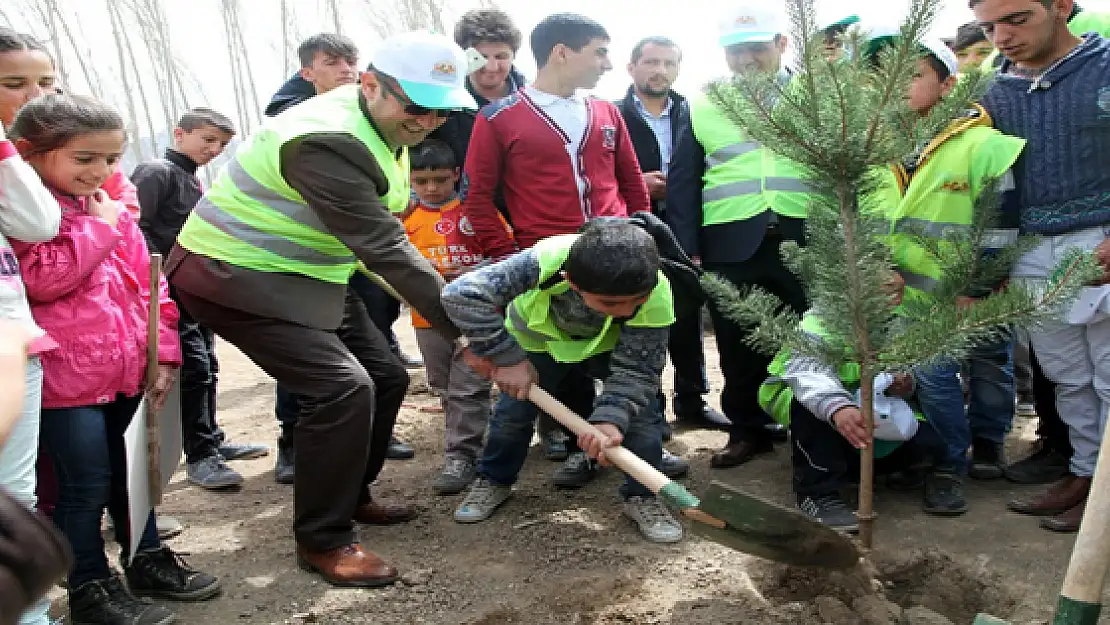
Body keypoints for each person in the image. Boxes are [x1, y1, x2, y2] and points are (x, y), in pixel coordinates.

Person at [169, 31, 476, 586]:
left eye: (441, 111)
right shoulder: (323, 140)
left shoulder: (384, 124)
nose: (429, 123)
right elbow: (386, 248)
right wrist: (469, 333)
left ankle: (351, 494)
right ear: (372, 84)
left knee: (384, 376)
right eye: (417, 108)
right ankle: (323, 540)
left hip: (310, 274)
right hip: (232, 273)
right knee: (339, 387)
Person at [10, 93, 222, 624]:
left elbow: (151, 285)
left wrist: (166, 353)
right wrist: (101, 227)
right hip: (65, 382)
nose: (100, 171)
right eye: (84, 159)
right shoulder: (26, 213)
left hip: (128, 368)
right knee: (82, 484)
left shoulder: (111, 205)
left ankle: (145, 558)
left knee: (136, 475)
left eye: (110, 159)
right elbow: (42, 278)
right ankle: (89, 586)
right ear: (28, 153)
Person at [462, 13, 658, 485]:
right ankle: (530, 464)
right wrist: (511, 255)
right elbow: (478, 196)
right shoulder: (497, 118)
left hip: (618, 265)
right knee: (545, 373)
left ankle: (635, 453)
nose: (608, 64)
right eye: (600, 52)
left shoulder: (608, 113)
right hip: (547, 271)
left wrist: (639, 241)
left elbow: (633, 186)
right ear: (561, 52)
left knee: (633, 364)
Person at [866, 30, 1025, 514]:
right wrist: (878, 267)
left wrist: (976, 289)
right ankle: (947, 463)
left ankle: (990, 440)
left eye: (912, 75)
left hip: (977, 293)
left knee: (991, 367)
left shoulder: (983, 146)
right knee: (934, 380)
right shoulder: (875, 154)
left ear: (948, 84)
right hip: (910, 300)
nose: (896, 87)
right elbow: (866, 222)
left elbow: (1002, 223)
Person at [448, 219, 684, 544]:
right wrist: (506, 358)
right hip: (536, 343)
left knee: (643, 421)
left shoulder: (656, 290)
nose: (625, 311)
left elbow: (638, 371)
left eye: (636, 301)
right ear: (572, 282)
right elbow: (461, 294)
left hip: (610, 348)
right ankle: (494, 480)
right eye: (611, 304)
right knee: (511, 418)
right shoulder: (547, 259)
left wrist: (611, 419)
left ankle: (643, 496)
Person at [976, 0, 1110, 533]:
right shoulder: (993, 88)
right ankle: (1084, 474)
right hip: (1029, 250)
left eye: (1016, 19)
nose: (1001, 36)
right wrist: (997, 260)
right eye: (989, 26)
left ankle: (1105, 496)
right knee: (1066, 377)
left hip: (1099, 246)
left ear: (1059, 6)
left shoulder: (1104, 68)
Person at [668, 5, 817, 469]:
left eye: (757, 48)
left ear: (782, 44)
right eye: (736, 51)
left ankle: (813, 431)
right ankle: (747, 429)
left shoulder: (818, 95)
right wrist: (687, 246)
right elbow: (685, 179)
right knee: (736, 341)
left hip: (806, 237)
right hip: (730, 242)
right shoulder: (703, 101)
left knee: (813, 339)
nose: (747, 59)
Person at [265, 33, 415, 484]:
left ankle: (372, 435)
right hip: (304, 263)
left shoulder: (380, 122)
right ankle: (293, 444)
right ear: (306, 72)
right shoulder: (297, 122)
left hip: (359, 260)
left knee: (379, 350)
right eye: (332, 63)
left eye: (351, 62)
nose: (345, 71)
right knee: (313, 363)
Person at [133, 107, 272, 493]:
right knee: (192, 368)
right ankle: (199, 457)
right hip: (166, 294)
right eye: (207, 140)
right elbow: (135, 230)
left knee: (207, 364)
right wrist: (155, 281)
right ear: (180, 134)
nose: (213, 149)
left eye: (221, 145)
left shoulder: (193, 181)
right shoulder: (155, 173)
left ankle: (212, 438)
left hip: (195, 291)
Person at [615, 37, 728, 441]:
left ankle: (692, 401)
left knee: (686, 314)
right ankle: (650, 410)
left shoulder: (693, 111)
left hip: (687, 226)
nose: (658, 70)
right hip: (633, 228)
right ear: (632, 67)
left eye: (668, 62)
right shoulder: (613, 114)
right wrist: (639, 185)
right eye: (650, 62)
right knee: (640, 316)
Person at [758, 304, 949, 531]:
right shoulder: (818, 323)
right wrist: (838, 407)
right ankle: (817, 492)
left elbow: (907, 372)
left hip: (872, 415)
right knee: (812, 413)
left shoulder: (897, 322)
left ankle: (860, 472)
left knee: (929, 444)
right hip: (822, 406)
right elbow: (808, 374)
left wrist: (903, 385)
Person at [401, 139, 507, 494]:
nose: (431, 188)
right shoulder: (404, 220)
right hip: (427, 320)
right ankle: (473, 437)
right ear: (410, 181)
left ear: (456, 176)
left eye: (440, 180)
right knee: (445, 386)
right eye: (421, 181)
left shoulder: (478, 214)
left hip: (474, 317)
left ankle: (461, 456)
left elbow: (506, 256)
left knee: (469, 387)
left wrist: (474, 270)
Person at [0, 27, 62, 625]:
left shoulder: (17, 160)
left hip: (15, 340)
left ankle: (30, 613)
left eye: (45, 82)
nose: (33, 96)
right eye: (13, 84)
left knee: (13, 496)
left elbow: (38, 222)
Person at [431, 8, 528, 169]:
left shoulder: (537, 103)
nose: (491, 67)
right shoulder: (440, 104)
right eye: (481, 57)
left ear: (513, 56)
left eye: (500, 57)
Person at [266, 33, 359, 116]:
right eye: (332, 63)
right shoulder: (291, 121)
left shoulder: (372, 110)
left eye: (351, 62)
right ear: (308, 74)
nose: (347, 69)